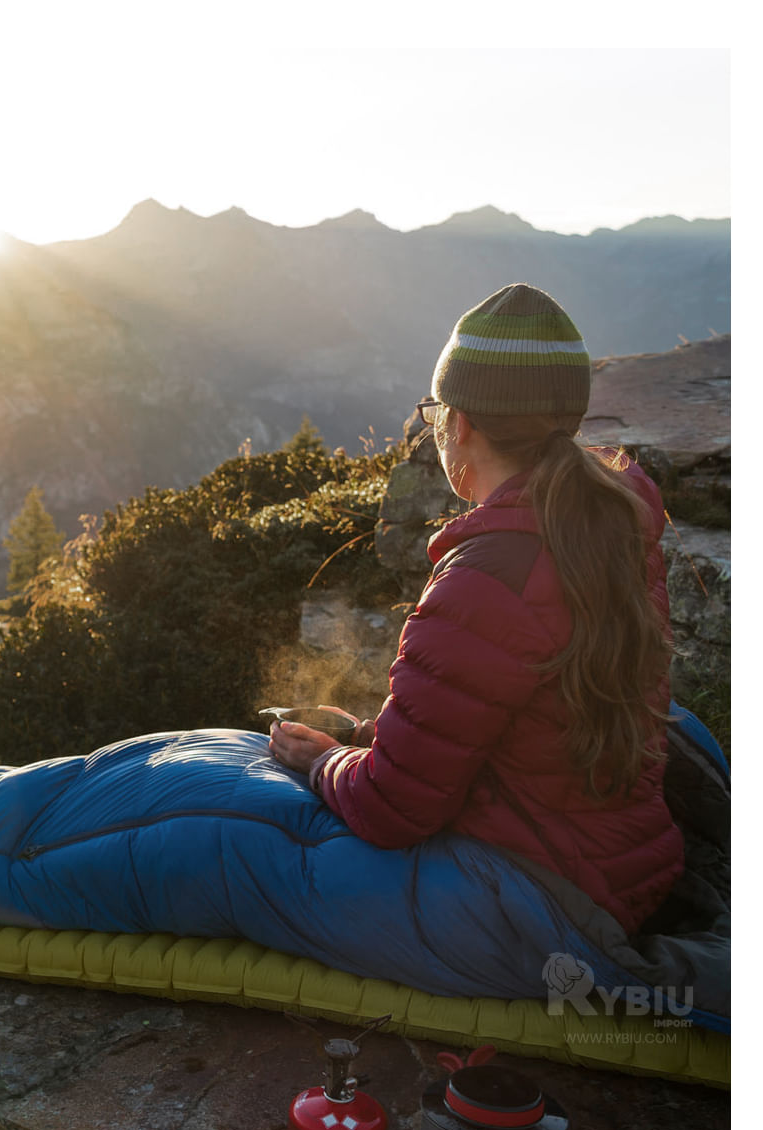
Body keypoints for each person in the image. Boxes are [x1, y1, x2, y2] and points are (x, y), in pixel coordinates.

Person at [269, 283, 684, 934]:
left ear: (459, 423)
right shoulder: (614, 524)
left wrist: (323, 762)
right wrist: (375, 739)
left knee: (250, 848)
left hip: (540, 900)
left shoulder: (486, 577)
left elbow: (390, 810)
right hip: (627, 868)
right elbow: (534, 719)